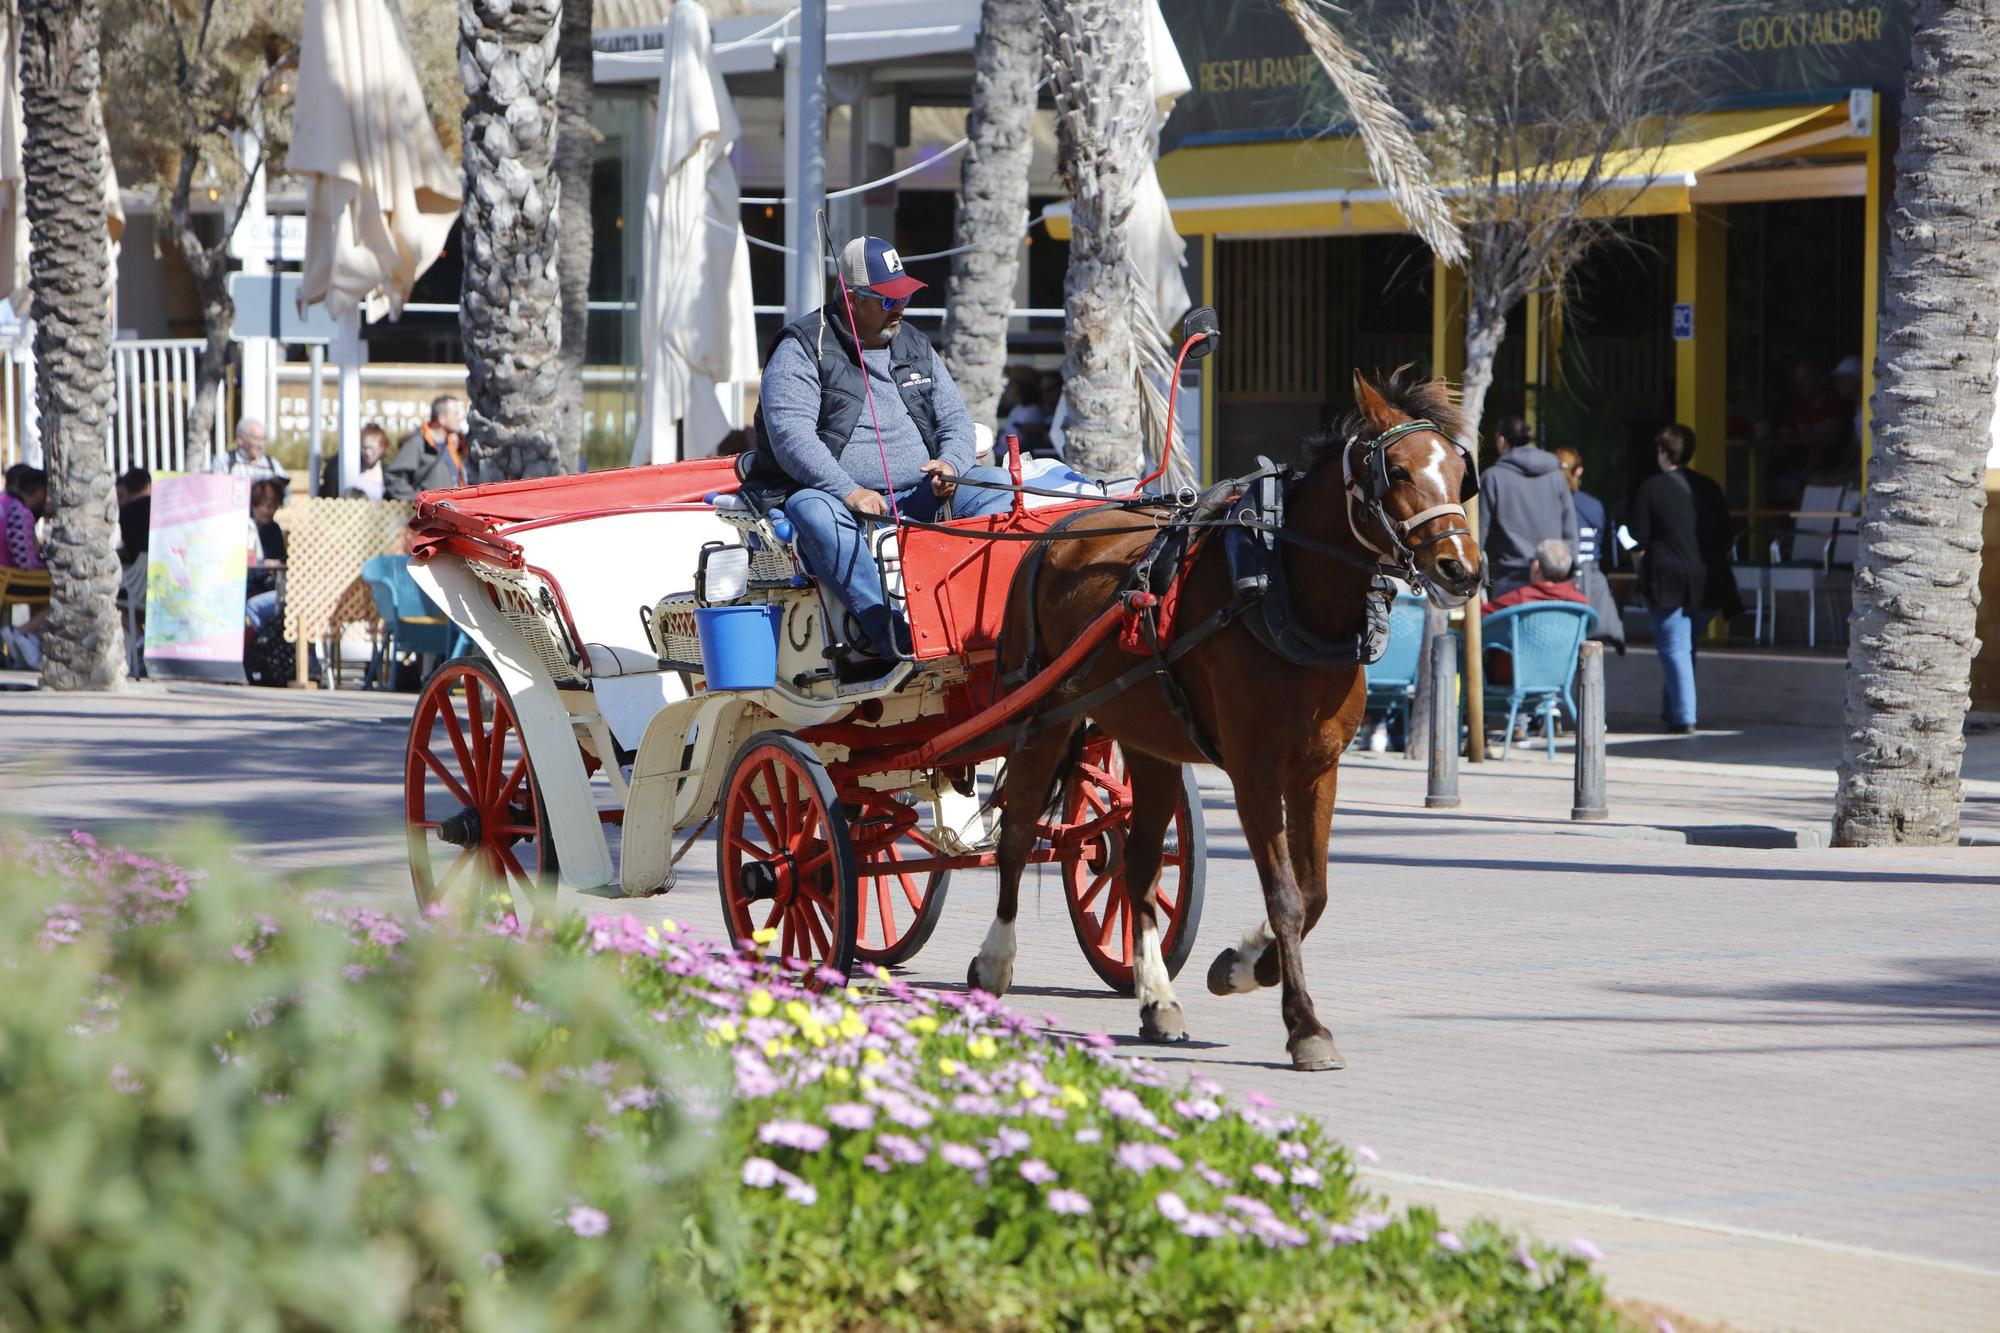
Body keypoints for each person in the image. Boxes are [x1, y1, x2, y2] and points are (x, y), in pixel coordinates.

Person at [742, 234, 1015, 673]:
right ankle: (887, 634)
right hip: (834, 497)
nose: (900, 307)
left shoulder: (914, 343)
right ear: (852, 299)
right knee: (813, 511)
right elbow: (793, 440)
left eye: (904, 295)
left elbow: (956, 423)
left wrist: (951, 464)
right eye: (887, 299)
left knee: (1000, 488)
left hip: (923, 491)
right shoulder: (801, 348)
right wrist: (849, 491)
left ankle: (986, 619)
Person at [1630, 424, 1741, 735]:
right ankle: (1672, 709)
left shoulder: (1651, 488)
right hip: (1708, 583)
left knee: (1675, 648)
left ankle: (1684, 716)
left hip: (1667, 581)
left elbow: (1636, 538)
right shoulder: (1710, 487)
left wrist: (1636, 563)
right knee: (1684, 646)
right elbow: (1726, 537)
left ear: (1663, 453)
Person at [1477, 415, 1577, 597]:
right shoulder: (1557, 477)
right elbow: (1571, 535)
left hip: (1511, 586)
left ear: (1501, 441)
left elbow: (1477, 538)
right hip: (1554, 582)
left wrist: (1479, 585)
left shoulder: (1493, 478)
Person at [1482, 537, 1589, 689]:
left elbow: (1478, 617)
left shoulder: (1520, 598)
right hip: (1560, 675)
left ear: (1536, 565)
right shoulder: (1580, 603)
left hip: (1513, 675)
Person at [1552, 446, 1624, 649]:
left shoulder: (1550, 504)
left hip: (1559, 584)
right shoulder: (1593, 506)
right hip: (1593, 587)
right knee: (1591, 652)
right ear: (1579, 471)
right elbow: (1604, 546)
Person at [1, 463, 48, 668]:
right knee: (63, 594)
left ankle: (31, 643)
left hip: (6, 576)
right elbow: (25, 561)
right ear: (39, 492)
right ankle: (21, 632)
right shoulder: (20, 511)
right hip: (9, 579)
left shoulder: (3, 502)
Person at [384, 395, 470, 500]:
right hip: (431, 515)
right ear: (442, 418)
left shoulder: (450, 445)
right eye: (456, 413)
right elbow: (393, 477)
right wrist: (418, 502)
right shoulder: (419, 443)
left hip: (451, 513)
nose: (460, 417)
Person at [244, 478, 287, 635]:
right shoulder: (243, 526)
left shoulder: (274, 529)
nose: (270, 511)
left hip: (270, 586)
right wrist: (264, 566)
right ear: (254, 504)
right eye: (267, 506)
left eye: (274, 507)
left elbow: (282, 559)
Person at [320, 422, 390, 500]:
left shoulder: (388, 474)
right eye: (364, 448)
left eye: (372, 448)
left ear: (382, 448)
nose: (368, 453)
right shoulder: (341, 469)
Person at [213, 418, 289, 484]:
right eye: (256, 439)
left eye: (263, 439)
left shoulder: (272, 465)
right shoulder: (224, 462)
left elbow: (285, 493)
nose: (260, 445)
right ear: (240, 440)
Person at [116, 468, 151, 569]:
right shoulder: (160, 508)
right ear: (149, 485)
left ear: (126, 489)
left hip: (135, 572)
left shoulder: (122, 513)